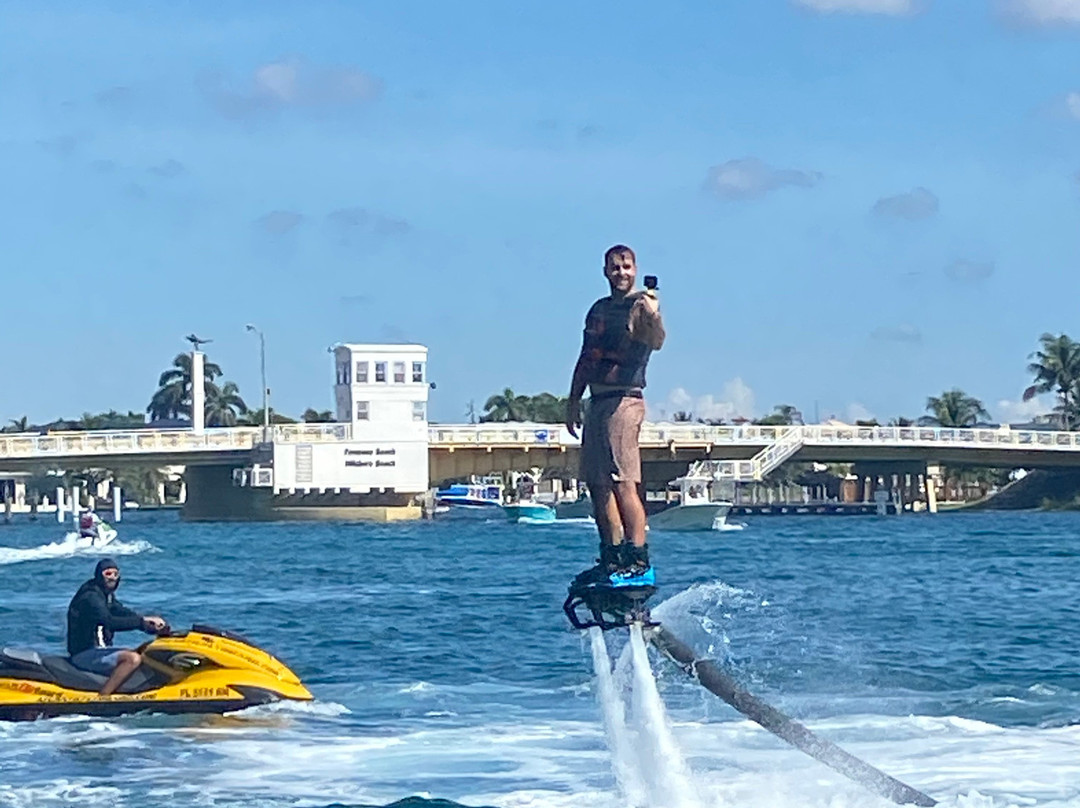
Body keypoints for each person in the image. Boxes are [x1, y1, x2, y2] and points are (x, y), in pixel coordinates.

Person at [566, 244, 665, 584]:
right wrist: (573, 400)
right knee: (597, 484)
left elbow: (657, 339)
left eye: (626, 267)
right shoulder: (598, 310)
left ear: (635, 270)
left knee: (624, 482)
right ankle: (612, 556)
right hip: (597, 401)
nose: (621, 272)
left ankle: (637, 559)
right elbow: (586, 357)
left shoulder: (642, 306)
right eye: (614, 267)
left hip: (625, 401)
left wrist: (653, 314)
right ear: (605, 271)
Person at [67, 558, 167, 696]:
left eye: (115, 574)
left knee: (145, 651)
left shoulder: (105, 596)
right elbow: (109, 621)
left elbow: (121, 611)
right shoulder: (90, 597)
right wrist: (140, 623)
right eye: (108, 574)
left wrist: (148, 624)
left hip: (99, 651)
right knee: (132, 659)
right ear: (99, 575)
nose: (112, 578)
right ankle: (103, 698)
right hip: (85, 653)